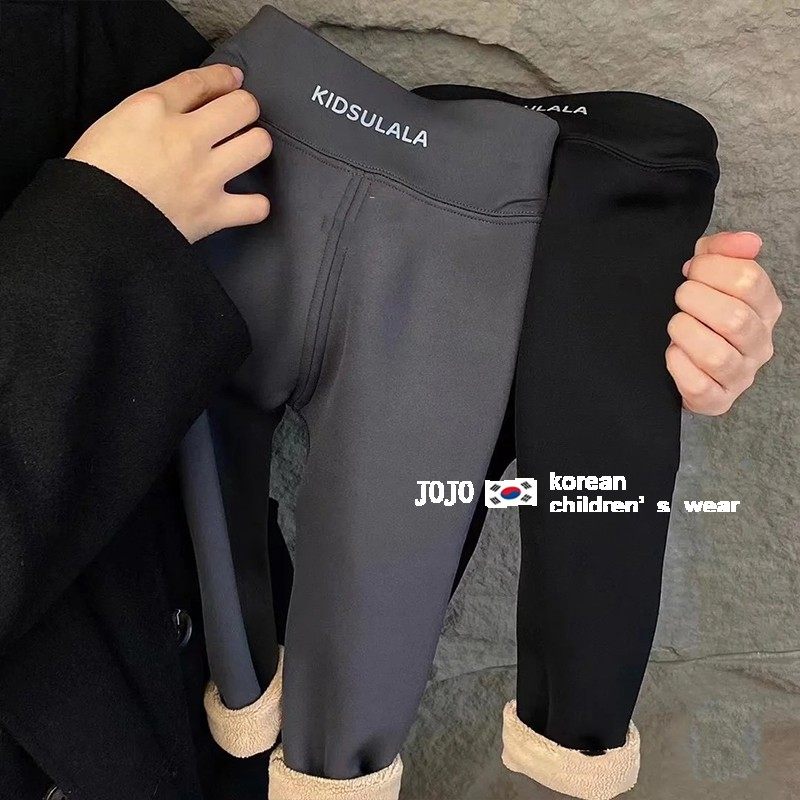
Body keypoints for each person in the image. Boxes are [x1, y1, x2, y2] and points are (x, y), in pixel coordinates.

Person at [0, 15, 781, 800]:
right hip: (123, 691)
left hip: (247, 168)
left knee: (327, 670)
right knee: (333, 687)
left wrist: (623, 313)